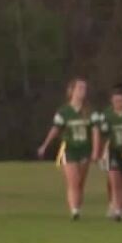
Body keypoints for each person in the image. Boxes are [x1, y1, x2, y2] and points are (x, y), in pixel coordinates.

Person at [37, 78, 94, 220]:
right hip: (69, 149)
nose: (82, 91)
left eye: (84, 88)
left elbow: (95, 132)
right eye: (79, 88)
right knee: (73, 181)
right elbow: (56, 129)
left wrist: (96, 150)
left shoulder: (89, 111)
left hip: (85, 149)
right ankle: (74, 210)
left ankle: (77, 208)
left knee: (80, 182)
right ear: (72, 91)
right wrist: (45, 145)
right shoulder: (64, 111)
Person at [91, 85, 122, 221]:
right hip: (113, 150)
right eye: (115, 100)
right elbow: (101, 134)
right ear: (111, 101)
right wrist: (98, 151)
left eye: (121, 100)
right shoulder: (106, 115)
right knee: (114, 180)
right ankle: (116, 209)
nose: (118, 103)